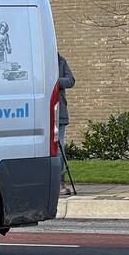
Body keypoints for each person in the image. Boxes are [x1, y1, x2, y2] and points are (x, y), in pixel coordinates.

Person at [57, 53, 75, 195]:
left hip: (60, 111)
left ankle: (60, 181)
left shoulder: (61, 61)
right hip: (43, 112)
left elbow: (70, 80)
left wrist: (55, 82)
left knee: (60, 146)